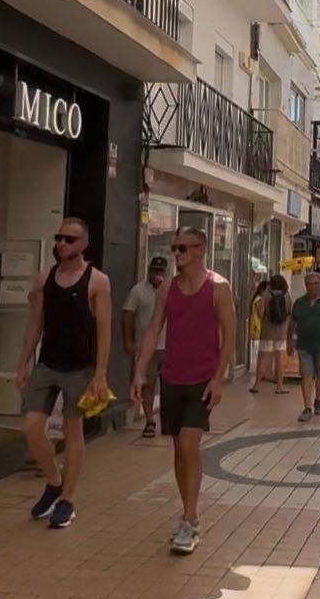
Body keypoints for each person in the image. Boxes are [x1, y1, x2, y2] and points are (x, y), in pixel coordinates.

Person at [132, 227, 235, 555]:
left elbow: (229, 334)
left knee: (190, 444)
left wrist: (218, 378)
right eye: (174, 248)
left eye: (182, 249)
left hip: (201, 379)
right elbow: (153, 331)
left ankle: (190, 519)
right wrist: (139, 371)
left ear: (200, 250)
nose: (176, 254)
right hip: (172, 377)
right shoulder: (167, 289)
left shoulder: (218, 287)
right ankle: (187, 513)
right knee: (178, 448)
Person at [16, 218, 111, 530]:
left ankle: (67, 500)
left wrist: (100, 373)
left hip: (80, 367)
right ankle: (54, 481)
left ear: (83, 244)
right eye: (59, 238)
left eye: (69, 239)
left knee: (73, 432)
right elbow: (35, 323)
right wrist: (23, 362)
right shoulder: (44, 279)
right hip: (47, 363)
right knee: (31, 427)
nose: (62, 244)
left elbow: (104, 330)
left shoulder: (97, 281)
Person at [122, 254, 168, 437]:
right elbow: (127, 314)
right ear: (149, 271)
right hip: (146, 347)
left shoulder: (170, 290)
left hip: (168, 346)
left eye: (161, 270)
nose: (158, 274)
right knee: (147, 385)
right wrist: (128, 340)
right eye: (155, 270)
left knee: (169, 386)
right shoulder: (138, 291)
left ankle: (167, 419)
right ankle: (149, 420)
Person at [290, 272, 320, 421]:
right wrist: (289, 341)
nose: (312, 287)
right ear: (305, 285)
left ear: (319, 285)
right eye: (309, 284)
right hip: (304, 345)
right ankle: (307, 408)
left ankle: (318, 399)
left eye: (315, 284)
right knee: (306, 375)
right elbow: (292, 324)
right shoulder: (299, 303)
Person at [251, 274, 291, 395]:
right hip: (281, 332)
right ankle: (279, 387)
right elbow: (288, 313)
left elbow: (260, 314)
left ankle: (256, 385)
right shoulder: (286, 296)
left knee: (263, 359)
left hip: (267, 331)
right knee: (279, 360)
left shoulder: (266, 295)